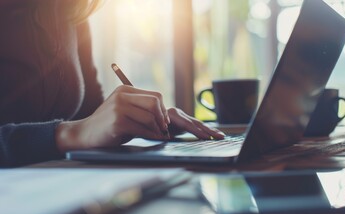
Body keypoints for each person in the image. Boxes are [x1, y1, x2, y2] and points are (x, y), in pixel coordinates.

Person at [0, 0, 225, 166]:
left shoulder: (69, 9)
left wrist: (138, 119)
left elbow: (90, 116)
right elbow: (82, 130)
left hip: (63, 189)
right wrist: (70, 134)